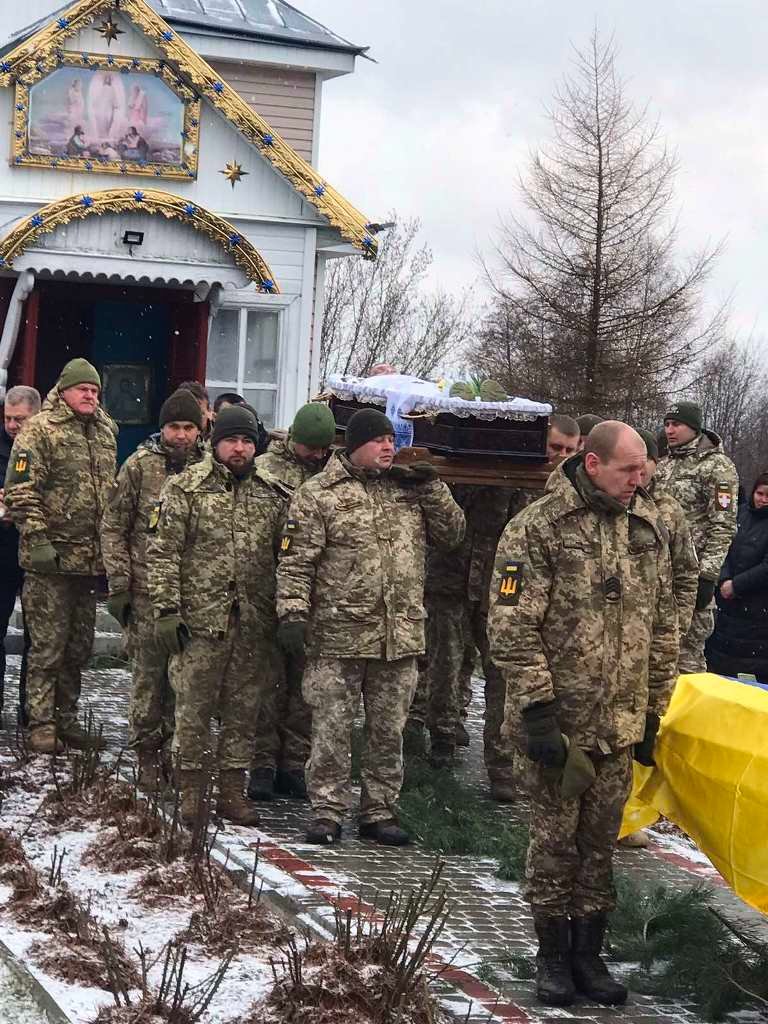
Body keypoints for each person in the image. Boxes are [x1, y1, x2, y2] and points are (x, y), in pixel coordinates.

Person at [488, 421, 678, 1008]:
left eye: (643, 468)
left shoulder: (646, 528)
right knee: (554, 846)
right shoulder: (538, 527)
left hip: (618, 725)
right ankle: (551, 957)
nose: (639, 479)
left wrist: (654, 709)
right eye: (629, 469)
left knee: (600, 846)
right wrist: (538, 711)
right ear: (593, 464)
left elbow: (663, 625)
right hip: (558, 726)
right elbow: (511, 627)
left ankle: (589, 956)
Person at [275, 408, 465, 846]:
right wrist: (293, 613)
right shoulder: (319, 494)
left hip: (398, 636)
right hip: (338, 635)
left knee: (387, 731)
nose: (388, 447)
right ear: (355, 444)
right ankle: (327, 811)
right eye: (379, 440)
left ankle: (379, 811)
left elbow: (453, 534)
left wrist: (433, 487)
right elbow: (296, 562)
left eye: (391, 440)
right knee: (331, 729)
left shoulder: (409, 490)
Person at [147, 405, 287, 826]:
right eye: (231, 440)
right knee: (193, 710)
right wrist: (166, 610)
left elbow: (288, 559)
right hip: (199, 622)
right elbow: (163, 553)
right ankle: (191, 793)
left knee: (244, 712)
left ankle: (231, 792)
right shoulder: (185, 488)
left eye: (246, 441)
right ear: (215, 442)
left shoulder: (273, 494)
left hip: (253, 623)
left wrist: (285, 612)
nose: (239, 448)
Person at [4, 360, 117, 754]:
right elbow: (20, 490)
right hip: (49, 561)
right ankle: (40, 723)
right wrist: (37, 539)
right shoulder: (39, 430)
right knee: (47, 648)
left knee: (77, 648)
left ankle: (66, 719)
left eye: (95, 390)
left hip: (88, 563)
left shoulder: (105, 431)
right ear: (64, 390)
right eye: (83, 389)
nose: (90, 395)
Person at [100, 389, 204, 788]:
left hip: (193, 594)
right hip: (145, 592)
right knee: (148, 678)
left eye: (189, 427)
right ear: (163, 429)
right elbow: (114, 526)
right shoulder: (140, 466)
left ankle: (178, 754)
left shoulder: (209, 469)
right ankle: (146, 753)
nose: (182, 435)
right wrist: (119, 584)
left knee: (185, 683)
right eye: (174, 427)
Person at [249, 402, 337, 801]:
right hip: (267, 589)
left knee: (306, 688)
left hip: (316, 595)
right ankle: (262, 763)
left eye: (323, 449)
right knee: (267, 685)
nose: (317, 456)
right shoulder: (264, 471)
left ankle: (295, 762)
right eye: (311, 448)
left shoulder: (330, 474)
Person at [655, 401, 739, 672]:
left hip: (691, 575)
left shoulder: (716, 467)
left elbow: (723, 525)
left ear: (694, 428)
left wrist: (708, 575)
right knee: (657, 656)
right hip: (658, 572)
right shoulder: (664, 465)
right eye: (667, 424)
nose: (670, 430)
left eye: (676, 424)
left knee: (687, 660)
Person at [0, 386, 40, 718]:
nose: (13, 426)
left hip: (38, 553)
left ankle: (32, 711)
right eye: (8, 419)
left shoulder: (48, 447)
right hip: (2, 551)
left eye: (20, 419)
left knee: (38, 638)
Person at [706, 473, 768, 682]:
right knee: (721, 666)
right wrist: (723, 579)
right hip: (727, 606)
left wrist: (737, 585)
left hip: (758, 611)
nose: (763, 500)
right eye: (760, 494)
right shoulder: (740, 514)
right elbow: (722, 546)